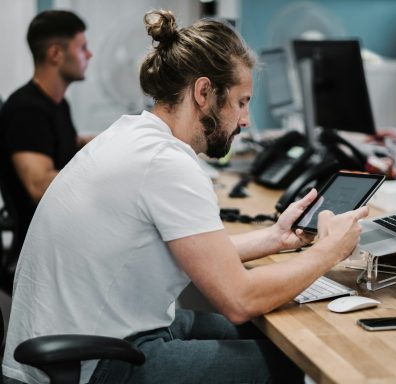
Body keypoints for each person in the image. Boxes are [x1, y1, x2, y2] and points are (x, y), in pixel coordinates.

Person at [2, 9, 368, 384]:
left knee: (267, 336)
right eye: (242, 102)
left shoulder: (135, 133)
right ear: (204, 92)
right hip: (93, 361)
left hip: (88, 337)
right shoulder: (166, 163)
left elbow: (194, 251)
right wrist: (329, 252)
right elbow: (240, 300)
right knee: (292, 365)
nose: (245, 120)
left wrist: (275, 237)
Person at [0, 10, 93, 282]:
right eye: (83, 48)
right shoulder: (27, 110)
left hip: (64, 232)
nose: (89, 55)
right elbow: (39, 185)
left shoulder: (58, 104)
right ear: (55, 54)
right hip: (43, 247)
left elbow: (67, 149)